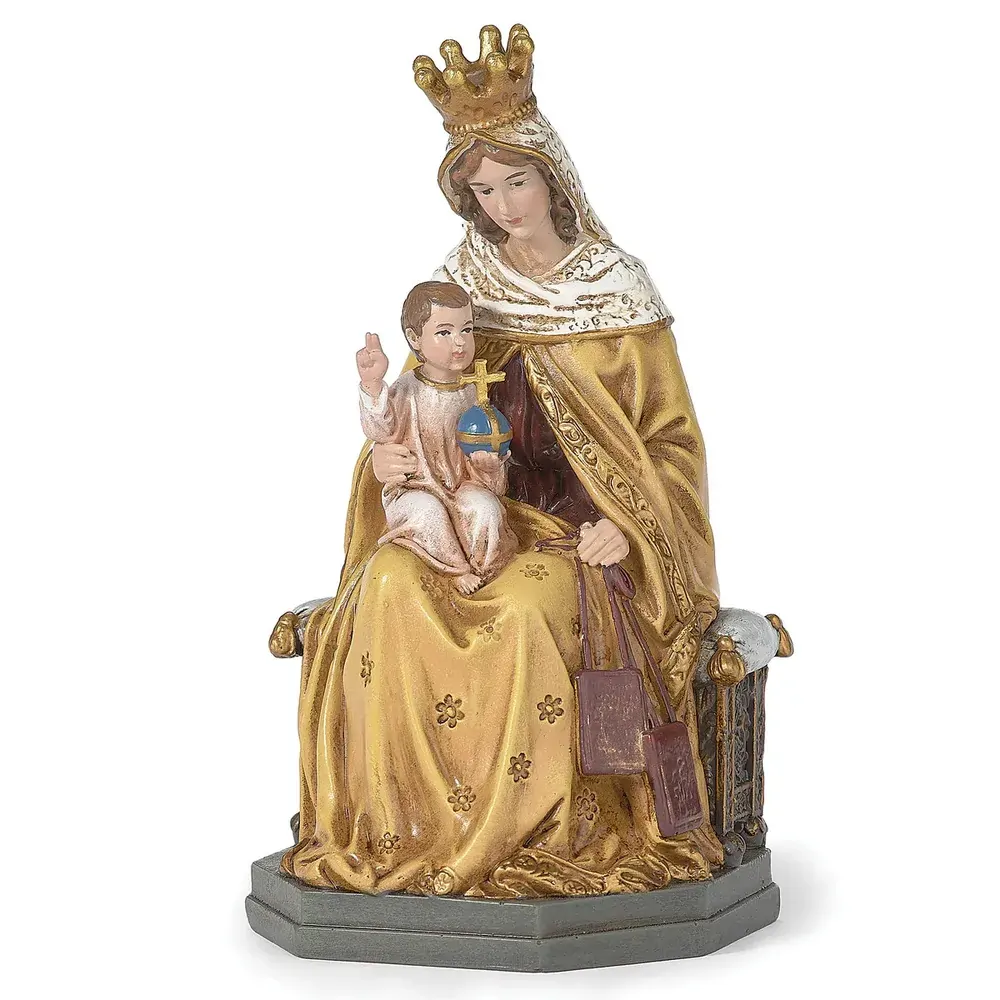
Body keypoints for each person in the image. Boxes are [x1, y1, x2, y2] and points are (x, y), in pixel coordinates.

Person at [283, 26, 723, 897]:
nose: (503, 206)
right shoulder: (462, 287)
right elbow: (421, 405)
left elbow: (670, 445)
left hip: (573, 534)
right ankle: (404, 829)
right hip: (465, 511)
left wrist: (626, 527)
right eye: (482, 190)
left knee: (520, 617)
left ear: (554, 179)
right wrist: (389, 462)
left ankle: (530, 834)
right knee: (386, 587)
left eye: (516, 181)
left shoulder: (616, 289)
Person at [355, 281, 516, 594]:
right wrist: (373, 386)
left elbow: (479, 445)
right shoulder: (407, 389)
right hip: (414, 488)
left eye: (466, 329)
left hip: (461, 485)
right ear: (415, 338)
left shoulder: (472, 390)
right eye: (444, 332)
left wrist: (488, 468)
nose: (460, 342)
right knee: (427, 513)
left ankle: (489, 572)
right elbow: (380, 431)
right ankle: (456, 570)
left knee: (485, 509)